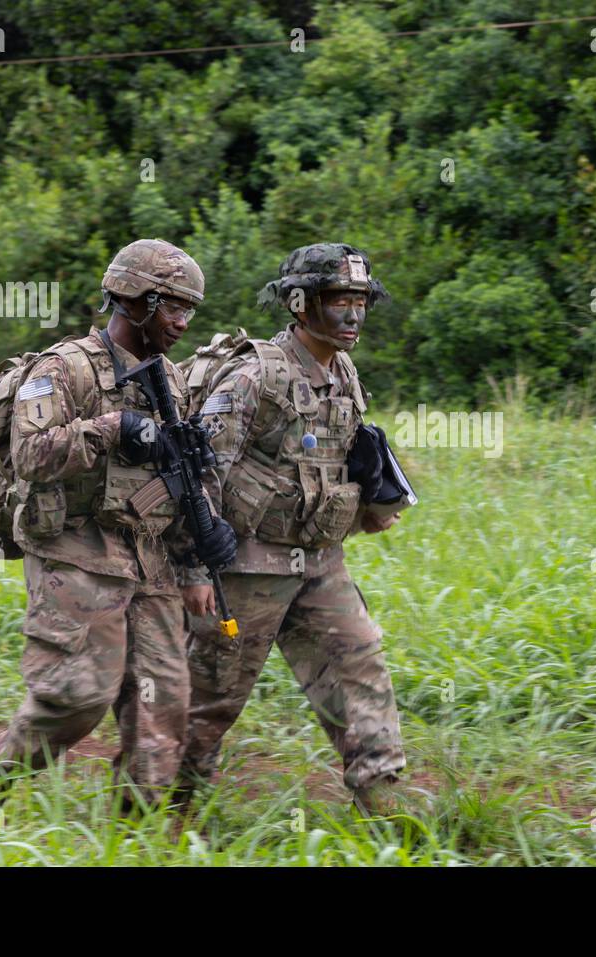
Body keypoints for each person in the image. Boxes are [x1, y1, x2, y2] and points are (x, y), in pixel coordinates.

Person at [0, 238, 237, 809]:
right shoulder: (63, 369)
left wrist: (198, 555)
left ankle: (132, 837)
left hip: (152, 557)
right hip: (76, 547)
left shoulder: (174, 380)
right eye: (173, 308)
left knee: (162, 707)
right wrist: (112, 428)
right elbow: (31, 456)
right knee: (78, 695)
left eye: (190, 310)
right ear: (135, 300)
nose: (183, 323)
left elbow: (193, 473)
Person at [179, 242, 410, 815]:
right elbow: (201, 471)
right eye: (339, 300)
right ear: (301, 303)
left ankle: (381, 802)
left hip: (320, 562)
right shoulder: (256, 375)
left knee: (359, 666)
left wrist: (371, 500)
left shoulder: (344, 370)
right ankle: (156, 805)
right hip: (248, 569)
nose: (354, 314)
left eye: (361, 301)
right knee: (210, 698)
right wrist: (192, 567)